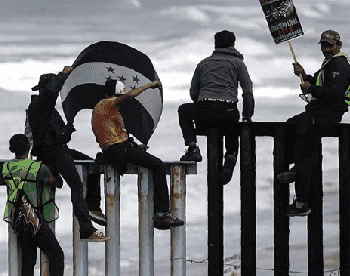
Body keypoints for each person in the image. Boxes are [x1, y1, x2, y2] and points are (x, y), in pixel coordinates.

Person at [276, 30, 350, 216]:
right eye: (323, 45)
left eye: (330, 46)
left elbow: (334, 92)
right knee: (290, 125)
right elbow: (320, 83)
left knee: (305, 156)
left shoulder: (339, 64)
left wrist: (310, 88)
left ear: (339, 45)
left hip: (326, 116)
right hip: (318, 112)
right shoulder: (331, 63)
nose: (326, 49)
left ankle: (301, 203)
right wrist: (304, 75)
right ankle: (295, 166)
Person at [90, 79, 184, 229]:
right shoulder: (108, 103)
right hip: (119, 150)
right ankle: (161, 214)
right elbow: (130, 95)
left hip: (113, 151)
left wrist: (135, 146)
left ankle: (159, 211)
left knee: (148, 162)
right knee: (158, 165)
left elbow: (112, 136)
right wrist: (150, 85)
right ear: (111, 95)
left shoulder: (102, 109)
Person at [27, 66, 108, 240]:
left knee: (90, 164)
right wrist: (63, 74)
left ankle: (93, 206)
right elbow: (51, 92)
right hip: (54, 152)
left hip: (52, 151)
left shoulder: (41, 108)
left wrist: (67, 130)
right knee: (77, 186)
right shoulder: (42, 104)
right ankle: (87, 228)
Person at [0, 133, 74, 276]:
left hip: (16, 219)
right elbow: (56, 182)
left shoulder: (6, 167)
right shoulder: (38, 167)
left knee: (28, 259)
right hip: (35, 218)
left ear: (11, 150)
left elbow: (0, 180)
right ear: (29, 148)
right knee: (56, 253)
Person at [179, 30, 255, 184]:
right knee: (233, 121)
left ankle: (192, 147)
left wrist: (202, 103)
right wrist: (247, 116)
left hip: (205, 111)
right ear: (233, 45)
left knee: (184, 110)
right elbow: (247, 91)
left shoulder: (204, 63)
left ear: (215, 45)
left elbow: (193, 92)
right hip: (227, 112)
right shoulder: (238, 63)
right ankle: (231, 154)